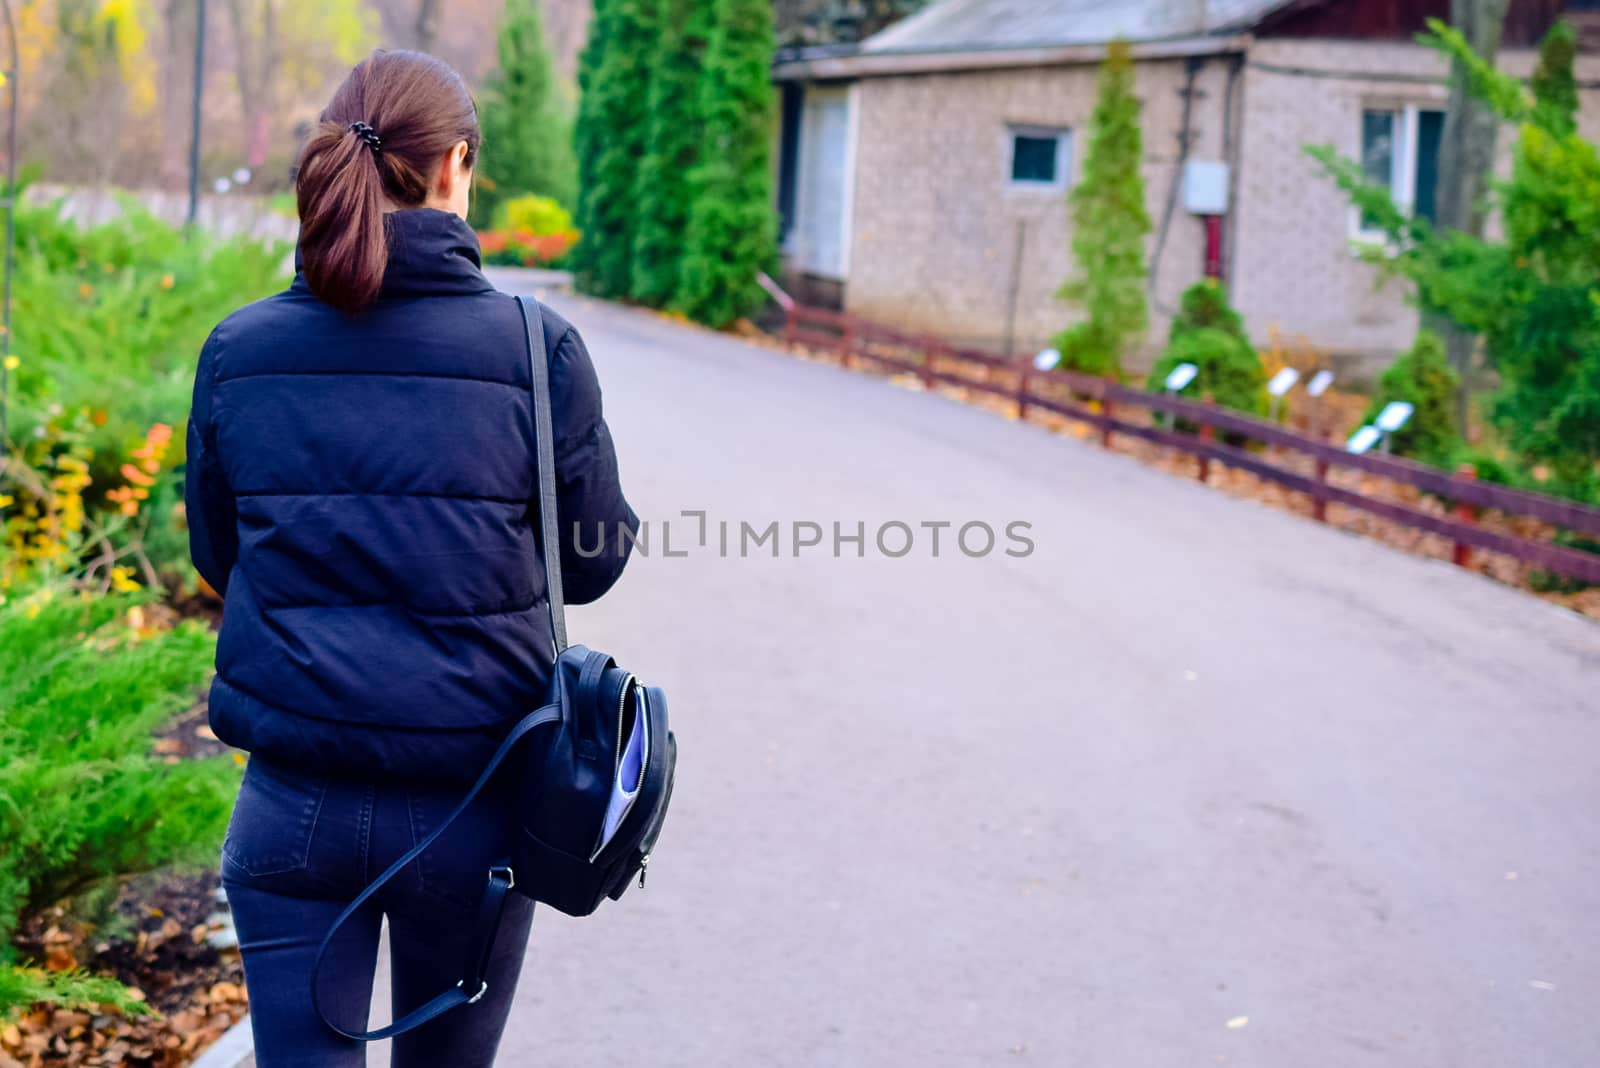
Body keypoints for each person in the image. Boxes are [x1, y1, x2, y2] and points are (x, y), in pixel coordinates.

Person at [185, 49, 639, 1067]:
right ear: (456, 166)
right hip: (478, 806)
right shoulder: (536, 348)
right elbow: (593, 563)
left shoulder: (239, 349)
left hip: (293, 804)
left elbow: (218, 554)